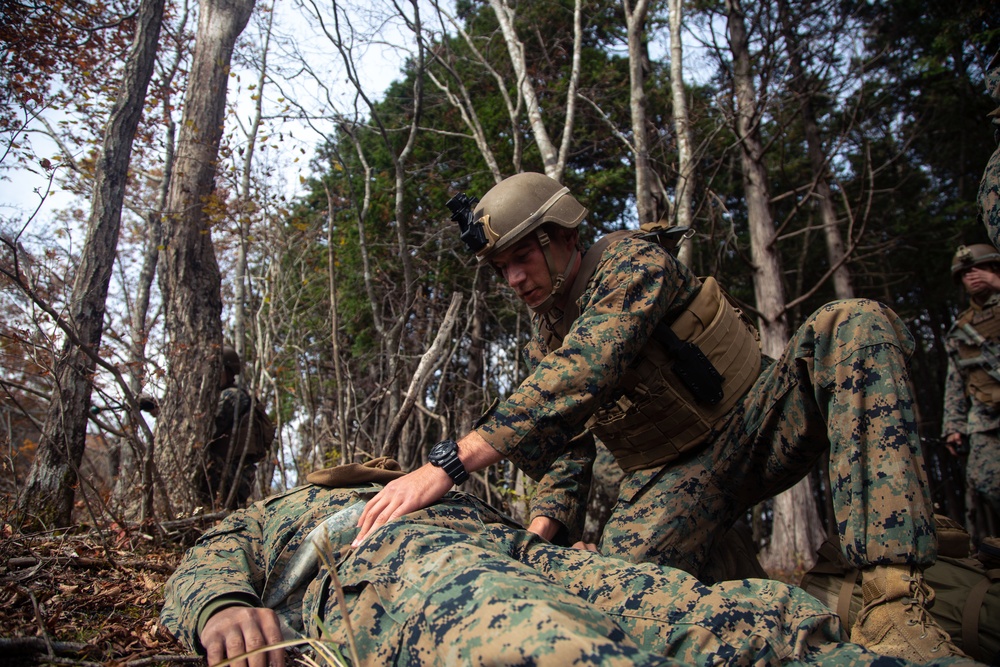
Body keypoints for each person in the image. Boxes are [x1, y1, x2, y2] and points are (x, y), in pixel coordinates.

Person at [354, 173, 965, 662]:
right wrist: (537, 539)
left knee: (851, 323)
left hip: (761, 420)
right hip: (674, 480)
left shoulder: (631, 263)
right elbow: (566, 446)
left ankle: (894, 603)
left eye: (522, 258)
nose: (514, 279)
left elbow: (587, 366)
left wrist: (449, 462)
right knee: (621, 605)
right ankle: (772, 617)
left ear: (562, 236)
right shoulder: (549, 339)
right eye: (500, 269)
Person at [159, 460, 979, 667]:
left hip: (511, 543)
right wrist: (222, 604)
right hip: (394, 558)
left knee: (735, 615)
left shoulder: (434, 484)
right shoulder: (289, 508)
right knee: (538, 640)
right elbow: (214, 553)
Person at [941, 244, 1000, 524]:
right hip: (985, 418)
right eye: (965, 274)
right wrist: (953, 426)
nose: (972, 277)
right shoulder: (961, 329)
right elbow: (955, 379)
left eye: (978, 270)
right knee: (986, 482)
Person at [194, 346, 274, 510]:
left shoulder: (231, 396)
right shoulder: (231, 394)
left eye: (218, 369)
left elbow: (205, 430)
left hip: (228, 472)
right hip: (235, 474)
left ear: (227, 371)